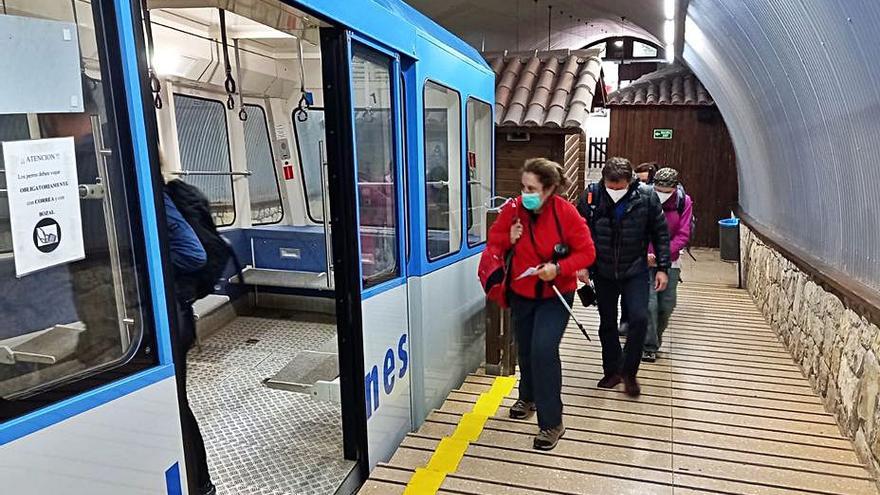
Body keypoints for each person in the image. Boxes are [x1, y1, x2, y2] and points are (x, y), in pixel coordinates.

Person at [487, 158, 595, 450]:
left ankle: (551, 423)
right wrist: (508, 238)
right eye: (523, 187)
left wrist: (558, 269)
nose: (525, 193)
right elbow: (494, 241)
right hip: (522, 291)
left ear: (549, 189)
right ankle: (528, 396)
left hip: (555, 295)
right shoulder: (513, 210)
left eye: (532, 188)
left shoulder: (567, 214)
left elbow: (587, 253)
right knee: (525, 347)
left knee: (543, 350)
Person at [576, 157, 670, 397]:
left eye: (620, 187)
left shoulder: (647, 197)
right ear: (604, 180)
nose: (615, 191)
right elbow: (579, 233)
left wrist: (662, 268)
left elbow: (660, 233)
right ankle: (612, 371)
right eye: (611, 186)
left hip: (635, 269)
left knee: (639, 319)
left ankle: (629, 371)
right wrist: (582, 265)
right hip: (603, 270)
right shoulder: (592, 196)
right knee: (607, 323)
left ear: (630, 182)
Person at [163, 182, 216, 495]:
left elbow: (193, 254)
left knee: (176, 404)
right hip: (177, 313)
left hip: (174, 315)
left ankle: (201, 485)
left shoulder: (155, 196)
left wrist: (146, 263)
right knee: (176, 402)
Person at [642, 168, 692, 362]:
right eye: (658, 189)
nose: (661, 194)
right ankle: (649, 346)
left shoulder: (683, 202)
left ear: (674, 188)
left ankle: (655, 337)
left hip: (670, 260)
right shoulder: (644, 198)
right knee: (649, 304)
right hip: (645, 260)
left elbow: (683, 234)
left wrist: (662, 254)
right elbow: (637, 228)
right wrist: (646, 253)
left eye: (666, 191)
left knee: (667, 305)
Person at [617, 162, 659, 335]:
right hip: (628, 256)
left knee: (647, 299)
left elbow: (656, 231)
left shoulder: (650, 199)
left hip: (647, 256)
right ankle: (626, 321)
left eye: (646, 181)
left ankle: (642, 333)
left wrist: (653, 253)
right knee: (626, 294)